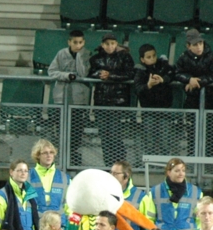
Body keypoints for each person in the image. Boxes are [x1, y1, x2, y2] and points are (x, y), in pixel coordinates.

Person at [140, 158, 203, 230]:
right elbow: (148, 219)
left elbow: (199, 220)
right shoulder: (156, 191)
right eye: (177, 170)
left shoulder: (196, 192)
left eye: (183, 170)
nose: (181, 173)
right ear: (169, 172)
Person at [89, 32, 135, 166]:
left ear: (116, 44)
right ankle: (109, 164)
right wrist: (99, 74)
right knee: (104, 136)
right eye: (107, 44)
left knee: (115, 135)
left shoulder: (125, 57)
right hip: (101, 101)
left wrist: (111, 76)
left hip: (118, 101)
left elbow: (130, 73)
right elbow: (90, 73)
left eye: (112, 43)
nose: (110, 46)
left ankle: (120, 164)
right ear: (102, 45)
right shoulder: (96, 58)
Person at [48, 30, 90, 155]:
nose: (78, 45)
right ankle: (62, 155)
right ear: (69, 42)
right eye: (75, 42)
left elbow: (83, 73)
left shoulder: (86, 54)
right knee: (61, 129)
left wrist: (79, 56)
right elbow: (52, 72)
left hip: (79, 100)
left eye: (81, 42)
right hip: (61, 98)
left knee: (76, 130)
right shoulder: (61, 54)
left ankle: (74, 156)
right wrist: (67, 75)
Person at [134, 43, 174, 159]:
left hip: (164, 110)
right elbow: (138, 89)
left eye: (154, 56)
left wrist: (163, 79)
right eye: (148, 57)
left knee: (165, 140)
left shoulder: (163, 66)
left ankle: (164, 164)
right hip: (148, 111)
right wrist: (148, 85)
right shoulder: (140, 71)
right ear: (142, 59)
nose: (152, 59)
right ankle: (149, 165)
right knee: (149, 140)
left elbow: (172, 73)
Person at [175, 29, 213, 111]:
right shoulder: (183, 57)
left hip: (209, 96)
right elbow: (177, 72)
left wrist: (196, 82)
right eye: (195, 44)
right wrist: (189, 79)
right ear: (188, 46)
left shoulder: (211, 56)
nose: (199, 47)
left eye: (200, 43)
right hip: (191, 96)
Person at [28, 139, 71, 225]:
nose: (49, 155)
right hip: (36, 226)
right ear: (38, 155)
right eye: (45, 153)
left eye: (51, 152)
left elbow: (70, 205)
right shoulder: (28, 176)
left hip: (59, 227)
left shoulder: (65, 178)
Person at [110, 160, 146, 230]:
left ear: (126, 176)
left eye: (115, 173)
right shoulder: (106, 194)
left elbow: (145, 226)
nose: (111, 176)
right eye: (111, 172)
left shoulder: (141, 196)